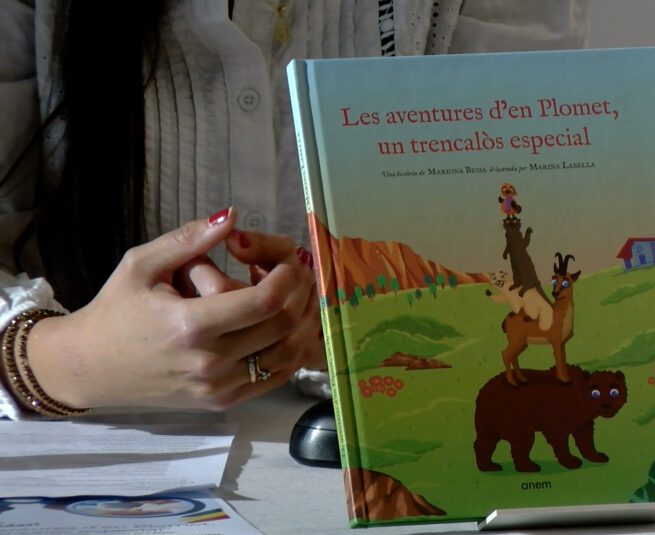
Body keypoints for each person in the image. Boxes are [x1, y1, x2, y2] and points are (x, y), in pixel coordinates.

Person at [0, 0, 588, 419]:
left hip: (405, 447)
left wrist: (350, 332)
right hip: (81, 471)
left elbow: (520, 234)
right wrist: (68, 359)